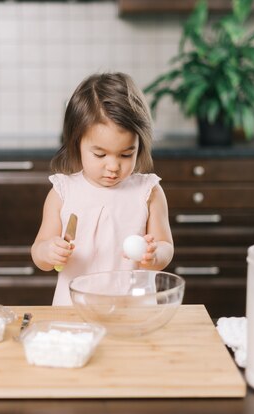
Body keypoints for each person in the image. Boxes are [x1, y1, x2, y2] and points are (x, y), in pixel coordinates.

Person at [31, 72, 174, 305]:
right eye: (100, 154)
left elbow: (166, 247)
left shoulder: (149, 192)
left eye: (126, 154)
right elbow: (39, 252)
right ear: (76, 144)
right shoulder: (62, 192)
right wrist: (49, 251)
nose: (113, 166)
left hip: (133, 310)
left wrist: (154, 254)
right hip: (74, 309)